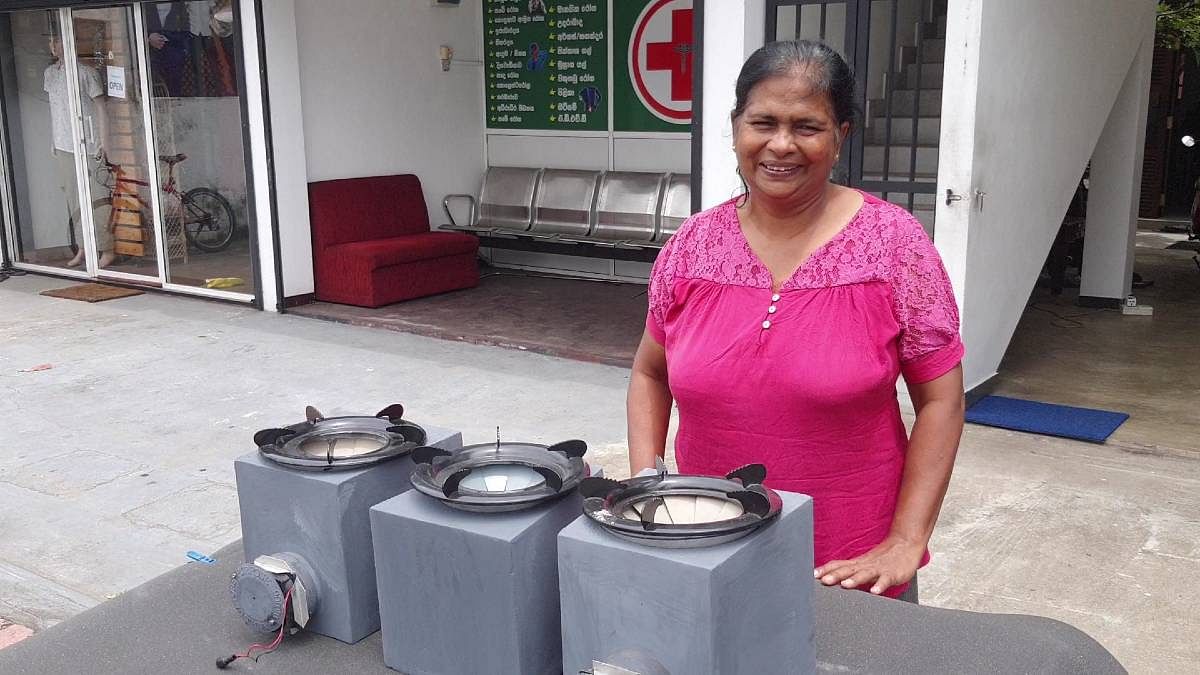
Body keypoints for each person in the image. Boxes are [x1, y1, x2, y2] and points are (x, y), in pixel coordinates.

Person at [626, 40, 965, 602]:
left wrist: (907, 540)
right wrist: (647, 485)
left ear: (840, 136)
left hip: (850, 565)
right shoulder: (692, 246)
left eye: (807, 126)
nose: (781, 145)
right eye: (763, 122)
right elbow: (649, 373)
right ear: (735, 128)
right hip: (705, 547)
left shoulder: (894, 246)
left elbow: (942, 400)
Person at [44, 34, 113, 268]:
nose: (53, 46)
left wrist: (105, 142)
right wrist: (53, 141)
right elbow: (55, 109)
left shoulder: (87, 73)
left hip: (89, 143)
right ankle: (83, 247)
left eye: (58, 41)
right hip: (64, 143)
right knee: (74, 198)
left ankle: (107, 247)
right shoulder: (50, 74)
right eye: (51, 41)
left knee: (98, 199)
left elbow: (101, 108)